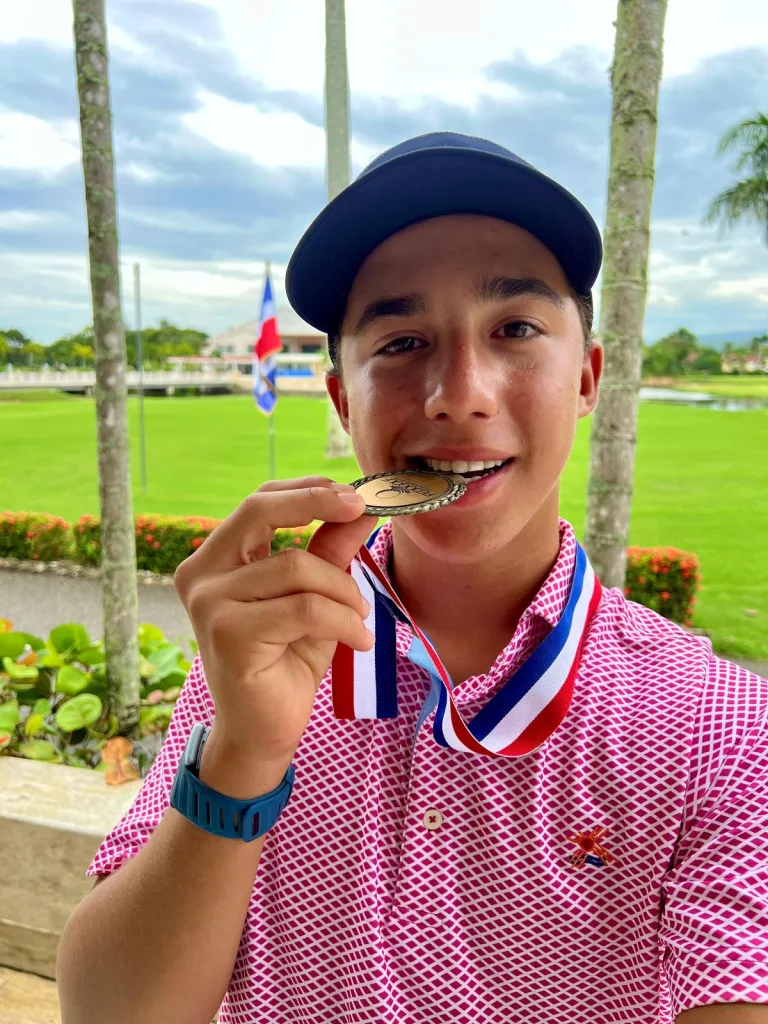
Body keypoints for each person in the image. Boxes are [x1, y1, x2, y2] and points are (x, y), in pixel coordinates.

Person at [57, 133, 768, 1024]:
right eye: (401, 340)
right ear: (344, 401)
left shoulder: (720, 727)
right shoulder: (258, 655)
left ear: (586, 379)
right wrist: (240, 757)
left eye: (514, 328)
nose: (457, 393)